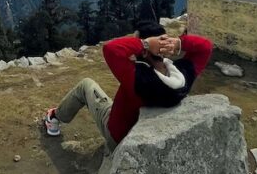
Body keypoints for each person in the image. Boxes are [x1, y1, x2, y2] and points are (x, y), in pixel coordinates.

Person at [43, 21, 213, 151]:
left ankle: (54, 118)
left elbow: (110, 49)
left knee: (86, 85)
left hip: (119, 137)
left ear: (145, 51)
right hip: (147, 133)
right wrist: (178, 43)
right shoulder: (183, 75)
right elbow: (206, 47)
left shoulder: (138, 79)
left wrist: (145, 44)